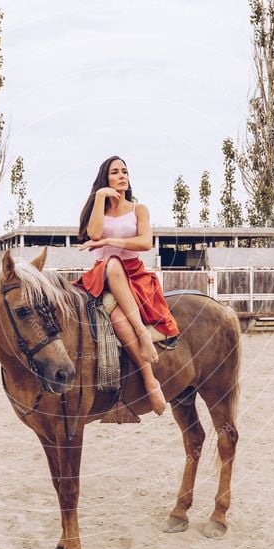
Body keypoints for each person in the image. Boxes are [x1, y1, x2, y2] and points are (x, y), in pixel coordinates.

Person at [75, 156, 179, 415]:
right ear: (105, 178)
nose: (122, 176)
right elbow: (95, 234)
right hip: (104, 275)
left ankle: (148, 376)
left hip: (133, 274)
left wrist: (113, 244)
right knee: (110, 263)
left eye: (125, 171)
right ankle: (147, 367)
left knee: (120, 316)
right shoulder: (97, 209)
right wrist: (100, 197)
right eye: (115, 172)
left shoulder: (138, 209)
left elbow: (145, 243)